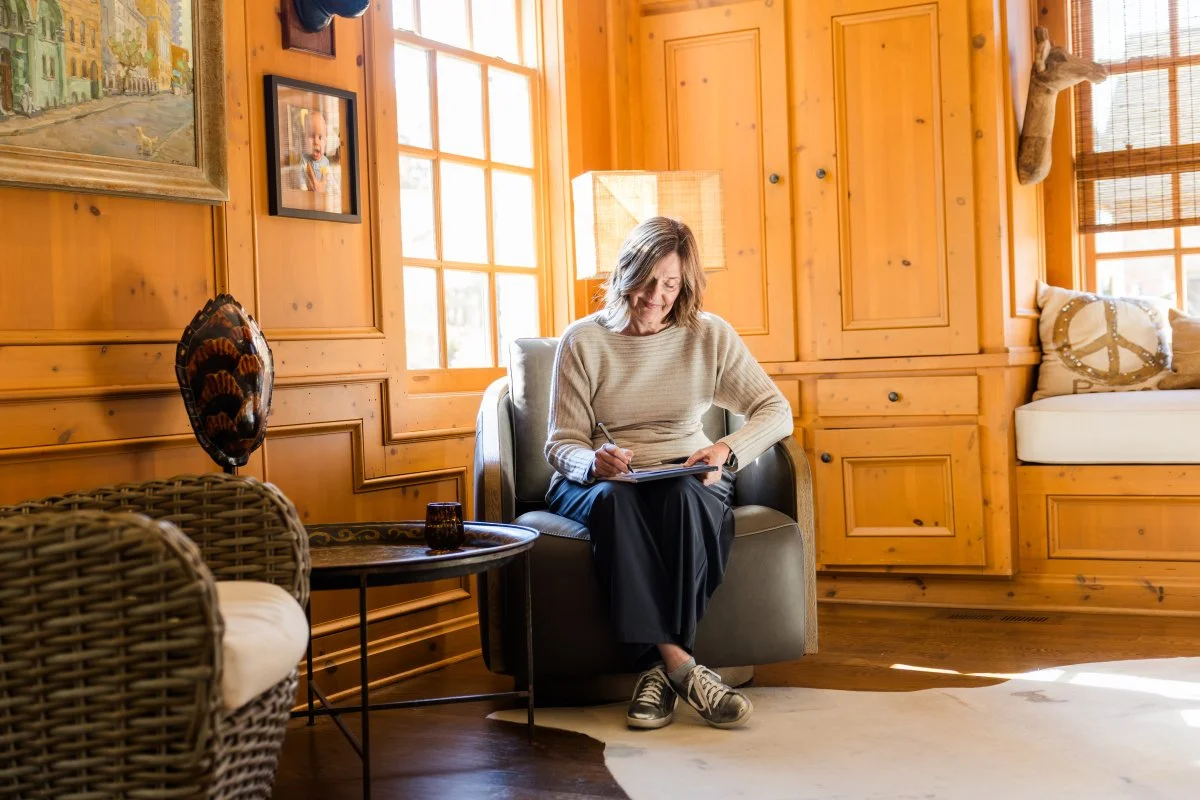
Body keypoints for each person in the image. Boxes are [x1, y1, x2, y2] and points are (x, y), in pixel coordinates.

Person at [544, 216, 794, 731]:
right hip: (600, 480)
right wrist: (592, 462)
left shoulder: (708, 335)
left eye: (671, 284)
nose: (655, 297)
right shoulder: (583, 340)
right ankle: (681, 666)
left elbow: (776, 410)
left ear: (685, 287)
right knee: (616, 501)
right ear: (624, 272)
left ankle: (657, 674)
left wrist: (725, 449)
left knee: (683, 497)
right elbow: (560, 442)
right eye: (646, 280)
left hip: (686, 471)